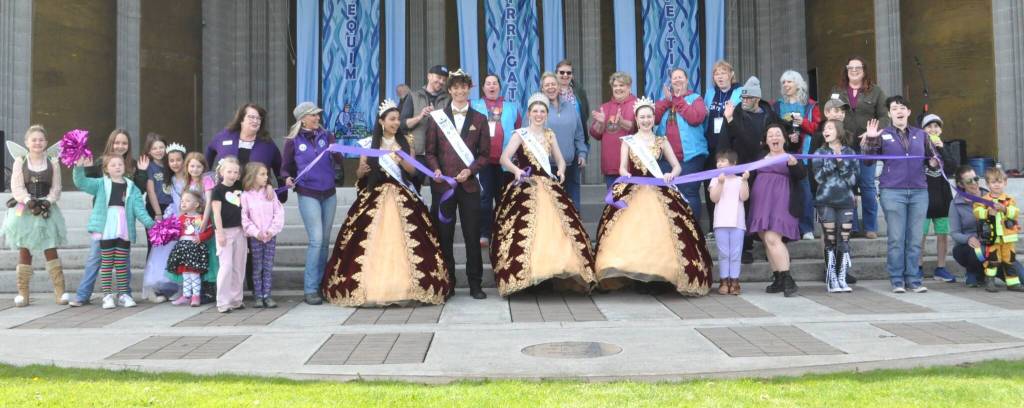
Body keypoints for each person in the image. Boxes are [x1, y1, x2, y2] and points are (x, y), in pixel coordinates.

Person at [323, 99, 451, 306]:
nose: (396, 123)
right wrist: (361, 171)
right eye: (392, 119)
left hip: (402, 193)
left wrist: (402, 161)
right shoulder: (368, 144)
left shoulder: (405, 141)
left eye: (398, 119)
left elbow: (413, 172)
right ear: (381, 121)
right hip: (376, 193)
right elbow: (360, 172)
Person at [594, 96, 712, 296]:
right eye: (642, 117)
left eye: (649, 116)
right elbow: (622, 167)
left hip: (658, 189)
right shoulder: (628, 141)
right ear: (637, 119)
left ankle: (662, 276)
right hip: (635, 190)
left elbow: (677, 166)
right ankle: (638, 276)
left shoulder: (661, 140)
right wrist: (626, 175)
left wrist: (670, 174)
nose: (646, 120)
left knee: (663, 233)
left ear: (653, 119)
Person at [491, 93, 597, 296]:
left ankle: (553, 274)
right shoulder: (520, 134)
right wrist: (516, 170)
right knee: (525, 227)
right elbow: (504, 158)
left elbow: (561, 159)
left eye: (542, 111)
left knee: (558, 227)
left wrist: (562, 171)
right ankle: (526, 277)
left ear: (546, 115)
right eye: (535, 111)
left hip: (548, 184)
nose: (539, 115)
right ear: (529, 114)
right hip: (526, 184)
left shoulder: (550, 135)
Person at [861, 95, 939, 293]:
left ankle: (913, 278)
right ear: (889, 113)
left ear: (909, 112)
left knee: (914, 238)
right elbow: (868, 161)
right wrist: (870, 139)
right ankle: (897, 279)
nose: (899, 111)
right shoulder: (883, 134)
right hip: (892, 191)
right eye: (895, 108)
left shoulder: (921, 135)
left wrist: (934, 162)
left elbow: (935, 160)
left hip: (919, 191)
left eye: (903, 107)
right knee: (896, 238)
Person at [425, 69, 490, 299]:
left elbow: (484, 155)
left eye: (464, 87)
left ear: (469, 89)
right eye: (456, 87)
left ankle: (475, 284)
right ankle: (448, 282)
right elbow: (429, 151)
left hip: (470, 187)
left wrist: (470, 170)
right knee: (445, 235)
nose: (460, 91)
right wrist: (436, 169)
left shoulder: (480, 119)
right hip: (444, 187)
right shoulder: (437, 119)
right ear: (449, 89)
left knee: (472, 236)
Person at [69, 129, 150, 307]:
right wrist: (84, 166)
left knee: (123, 260)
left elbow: (138, 191)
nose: (120, 146)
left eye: (124, 143)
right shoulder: (101, 162)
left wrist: (142, 172)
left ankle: (125, 294)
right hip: (104, 221)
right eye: (117, 142)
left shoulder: (133, 165)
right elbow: (87, 183)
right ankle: (83, 295)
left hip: (122, 222)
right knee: (95, 258)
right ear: (111, 143)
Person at [281, 101, 343, 305]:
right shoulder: (293, 140)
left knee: (325, 240)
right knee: (316, 239)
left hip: (329, 192)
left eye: (318, 115)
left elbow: (338, 161)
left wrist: (337, 153)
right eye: (313, 115)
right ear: (302, 119)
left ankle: (320, 284)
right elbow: (285, 167)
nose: (317, 118)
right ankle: (309, 289)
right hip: (308, 193)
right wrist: (287, 178)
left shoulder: (327, 136)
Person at [3, 125, 68, 307]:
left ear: (46, 143)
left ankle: (60, 291)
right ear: (27, 143)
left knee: (50, 248)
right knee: (25, 249)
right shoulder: (20, 161)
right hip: (25, 209)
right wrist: (27, 200)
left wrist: (48, 201)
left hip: (46, 208)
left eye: (41, 140)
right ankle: (23, 293)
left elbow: (56, 187)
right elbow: (16, 187)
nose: (37, 143)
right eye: (34, 140)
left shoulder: (52, 162)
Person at [720, 76, 778, 264]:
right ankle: (745, 247)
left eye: (748, 98)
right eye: (743, 98)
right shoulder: (734, 114)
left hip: (764, 169)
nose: (744, 101)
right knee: (742, 207)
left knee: (762, 205)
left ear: (757, 99)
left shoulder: (769, 115)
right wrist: (725, 163)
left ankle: (768, 244)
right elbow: (731, 140)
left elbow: (774, 138)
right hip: (742, 167)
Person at [831, 57, 889, 239]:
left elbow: (885, 116)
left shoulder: (876, 91)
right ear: (846, 70)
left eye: (858, 67)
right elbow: (830, 113)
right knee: (847, 185)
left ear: (864, 70)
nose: (854, 70)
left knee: (868, 186)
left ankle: (871, 227)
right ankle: (852, 226)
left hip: (868, 146)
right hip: (845, 144)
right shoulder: (837, 91)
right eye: (850, 67)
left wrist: (872, 132)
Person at [750, 123, 806, 298]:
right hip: (761, 202)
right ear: (766, 140)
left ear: (784, 138)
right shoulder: (760, 156)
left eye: (778, 134)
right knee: (765, 238)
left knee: (773, 237)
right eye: (770, 135)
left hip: (782, 201)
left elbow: (802, 175)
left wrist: (795, 165)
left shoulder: (790, 157)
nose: (774, 137)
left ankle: (788, 278)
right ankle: (778, 278)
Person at [948, 166, 1024, 287]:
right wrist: (968, 239)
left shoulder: (991, 196)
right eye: (969, 181)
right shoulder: (955, 204)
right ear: (960, 184)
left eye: (976, 178)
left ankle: (988, 275)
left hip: (997, 242)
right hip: (970, 247)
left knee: (1021, 277)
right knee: (980, 251)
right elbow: (954, 233)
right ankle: (973, 272)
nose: (974, 183)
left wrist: (1005, 210)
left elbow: (1012, 215)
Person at [471, 74, 522, 247]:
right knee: (485, 198)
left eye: (495, 83)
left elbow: (519, 132)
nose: (491, 86)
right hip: (483, 161)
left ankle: (502, 232)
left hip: (505, 162)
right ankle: (485, 233)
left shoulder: (512, 107)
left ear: (500, 87)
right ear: (483, 88)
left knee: (504, 198)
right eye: (488, 83)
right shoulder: (475, 106)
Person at [655, 68, 708, 222]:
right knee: (667, 194)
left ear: (686, 79)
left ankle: (693, 233)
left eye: (680, 77)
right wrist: (667, 101)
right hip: (666, 159)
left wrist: (677, 100)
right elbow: (655, 118)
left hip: (690, 157)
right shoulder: (666, 100)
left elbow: (695, 118)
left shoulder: (696, 98)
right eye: (674, 78)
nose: (677, 80)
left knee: (689, 193)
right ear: (670, 82)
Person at [775, 70, 821, 240]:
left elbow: (818, 129)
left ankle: (806, 228)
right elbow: (772, 127)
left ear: (798, 84)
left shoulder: (810, 106)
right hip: (782, 152)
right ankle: (785, 228)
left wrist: (803, 123)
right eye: (784, 82)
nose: (786, 85)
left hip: (804, 153)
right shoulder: (777, 105)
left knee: (805, 191)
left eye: (789, 82)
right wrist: (787, 135)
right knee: (783, 191)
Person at [812, 120, 857, 293]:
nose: (826, 131)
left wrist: (841, 162)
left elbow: (852, 180)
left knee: (843, 240)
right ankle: (831, 279)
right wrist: (832, 161)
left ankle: (841, 276)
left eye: (829, 128)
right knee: (830, 239)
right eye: (824, 129)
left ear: (839, 131)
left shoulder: (850, 153)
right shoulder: (819, 152)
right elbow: (819, 178)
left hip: (845, 200)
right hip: (825, 200)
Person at [141, 142, 188, 303]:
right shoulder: (171, 179)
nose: (175, 163)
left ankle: (184, 288)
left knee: (183, 251)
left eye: (178, 160)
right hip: (173, 217)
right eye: (172, 160)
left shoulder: (189, 178)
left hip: (188, 217)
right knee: (166, 251)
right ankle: (169, 286)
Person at [703, 60, 743, 232]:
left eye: (723, 72)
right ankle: (713, 225)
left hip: (730, 147)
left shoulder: (739, 91)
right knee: (711, 185)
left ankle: (734, 223)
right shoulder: (710, 93)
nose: (720, 76)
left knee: (731, 185)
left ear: (731, 75)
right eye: (716, 73)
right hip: (711, 146)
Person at [540, 72, 588, 209]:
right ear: (542, 89)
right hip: (547, 167)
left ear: (559, 86)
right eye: (547, 85)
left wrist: (582, 153)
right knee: (552, 209)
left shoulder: (570, 107)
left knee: (573, 208)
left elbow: (579, 134)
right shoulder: (537, 109)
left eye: (553, 84)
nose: (551, 87)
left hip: (571, 166)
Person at [919, 114, 957, 282]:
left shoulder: (946, 146)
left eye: (936, 127)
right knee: (920, 235)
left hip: (942, 198)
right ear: (923, 130)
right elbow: (914, 166)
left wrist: (941, 149)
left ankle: (941, 268)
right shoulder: (918, 145)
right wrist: (929, 163)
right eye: (929, 126)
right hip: (924, 199)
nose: (933, 130)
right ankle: (917, 267)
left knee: (942, 235)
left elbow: (952, 168)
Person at [241, 162, 285, 308]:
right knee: (257, 267)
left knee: (268, 266)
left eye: (267, 174)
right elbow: (244, 217)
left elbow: (278, 213)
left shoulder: (270, 193)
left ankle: (267, 295)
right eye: (263, 174)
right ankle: (258, 296)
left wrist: (271, 230)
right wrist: (255, 232)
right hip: (255, 237)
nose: (266, 177)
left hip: (270, 236)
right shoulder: (245, 196)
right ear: (252, 176)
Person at [401, 65, 451, 191]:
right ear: (429, 76)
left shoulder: (449, 99)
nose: (441, 81)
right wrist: (419, 116)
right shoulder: (412, 96)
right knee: (412, 192)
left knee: (439, 195)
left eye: (444, 79)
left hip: (439, 156)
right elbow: (402, 124)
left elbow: (452, 128)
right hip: (417, 154)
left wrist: (438, 117)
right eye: (438, 77)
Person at [973, 167, 1022, 292]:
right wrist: (987, 211)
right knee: (993, 260)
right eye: (993, 182)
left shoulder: (1009, 200)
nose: (997, 185)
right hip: (992, 237)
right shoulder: (984, 200)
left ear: (1005, 183)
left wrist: (1005, 209)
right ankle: (990, 282)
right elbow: (977, 212)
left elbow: (1015, 212)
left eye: (999, 182)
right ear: (988, 184)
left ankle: (1013, 283)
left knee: (1009, 259)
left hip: (1007, 238)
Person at [708, 149, 749, 295]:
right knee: (723, 253)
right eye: (718, 161)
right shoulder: (714, 179)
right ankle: (724, 281)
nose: (719, 164)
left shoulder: (739, 180)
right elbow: (714, 198)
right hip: (720, 223)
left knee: (736, 253)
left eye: (723, 161)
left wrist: (744, 180)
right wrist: (720, 183)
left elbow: (744, 197)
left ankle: (735, 281)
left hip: (737, 223)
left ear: (733, 163)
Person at [590, 72, 638, 189]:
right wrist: (600, 122)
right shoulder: (605, 107)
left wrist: (621, 121)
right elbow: (595, 134)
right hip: (611, 165)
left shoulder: (637, 104)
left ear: (629, 87)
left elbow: (638, 128)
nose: (618, 88)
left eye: (621, 85)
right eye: (615, 86)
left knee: (632, 203)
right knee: (613, 203)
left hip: (631, 165)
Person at [211, 157, 246, 313]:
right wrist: (219, 233)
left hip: (240, 230)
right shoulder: (217, 190)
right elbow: (216, 213)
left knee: (239, 265)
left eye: (235, 172)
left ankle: (236, 299)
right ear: (222, 172)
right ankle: (223, 301)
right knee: (226, 266)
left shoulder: (240, 186)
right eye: (229, 171)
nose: (232, 174)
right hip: (225, 231)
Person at [167, 190, 214, 307]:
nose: (183, 203)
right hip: (183, 247)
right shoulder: (181, 218)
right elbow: (176, 232)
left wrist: (201, 237)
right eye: (182, 200)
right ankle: (186, 295)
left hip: (195, 248)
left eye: (187, 201)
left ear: (196, 204)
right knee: (185, 273)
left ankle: (196, 296)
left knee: (194, 273)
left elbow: (210, 231)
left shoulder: (201, 218)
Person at [554, 59, 591, 132]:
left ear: (572, 75)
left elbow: (585, 113)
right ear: (556, 74)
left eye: (568, 73)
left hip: (577, 134)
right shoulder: (551, 91)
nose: (565, 75)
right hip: (555, 134)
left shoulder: (579, 90)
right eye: (562, 72)